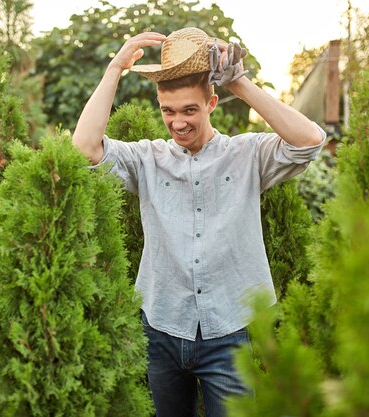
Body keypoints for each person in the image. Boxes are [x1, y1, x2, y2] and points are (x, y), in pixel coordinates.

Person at [72, 27, 325, 417]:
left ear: (211, 103)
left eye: (189, 110)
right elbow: (85, 148)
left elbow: (309, 140)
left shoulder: (247, 154)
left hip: (230, 332)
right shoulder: (147, 159)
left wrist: (240, 83)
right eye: (167, 111)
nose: (177, 123)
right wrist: (115, 69)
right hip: (162, 329)